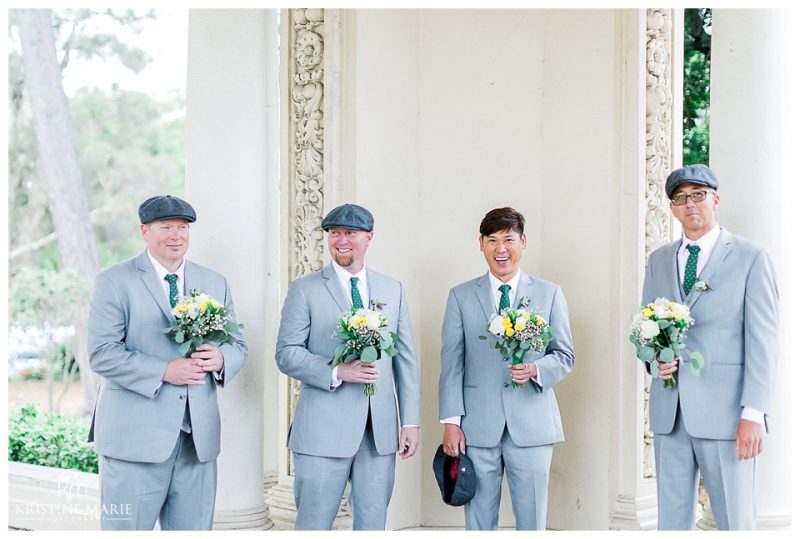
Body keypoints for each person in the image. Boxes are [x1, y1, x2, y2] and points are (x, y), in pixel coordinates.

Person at [87, 195, 248, 530]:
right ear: (145, 231)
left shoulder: (215, 282)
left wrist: (221, 358)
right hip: (134, 441)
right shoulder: (114, 281)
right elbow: (102, 353)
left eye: (183, 228)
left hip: (197, 442)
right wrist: (163, 371)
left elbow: (237, 345)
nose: (176, 235)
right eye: (166, 227)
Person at [643, 164, 778, 530]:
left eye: (698, 195)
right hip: (670, 413)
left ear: (715, 199)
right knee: (671, 522)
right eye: (681, 197)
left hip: (728, 415)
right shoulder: (658, 260)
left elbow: (764, 340)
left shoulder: (751, 257)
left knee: (735, 519)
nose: (690, 204)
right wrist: (655, 361)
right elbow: (647, 331)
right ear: (672, 207)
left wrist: (754, 413)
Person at [275, 203, 421, 530]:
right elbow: (286, 353)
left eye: (350, 233)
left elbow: (405, 361)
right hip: (321, 432)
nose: (341, 240)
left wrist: (410, 421)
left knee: (372, 526)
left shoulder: (392, 289)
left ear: (369, 238)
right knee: (313, 525)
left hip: (379, 433)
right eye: (334, 233)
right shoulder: (305, 289)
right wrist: (338, 372)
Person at [438, 206, 575, 530]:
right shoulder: (460, 296)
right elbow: (451, 363)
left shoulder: (549, 293)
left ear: (523, 242)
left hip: (532, 424)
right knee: (479, 521)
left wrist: (536, 370)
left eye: (509, 239)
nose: (501, 249)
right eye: (493, 240)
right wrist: (451, 422)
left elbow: (564, 355)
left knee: (532, 520)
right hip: (477, 426)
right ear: (481, 244)